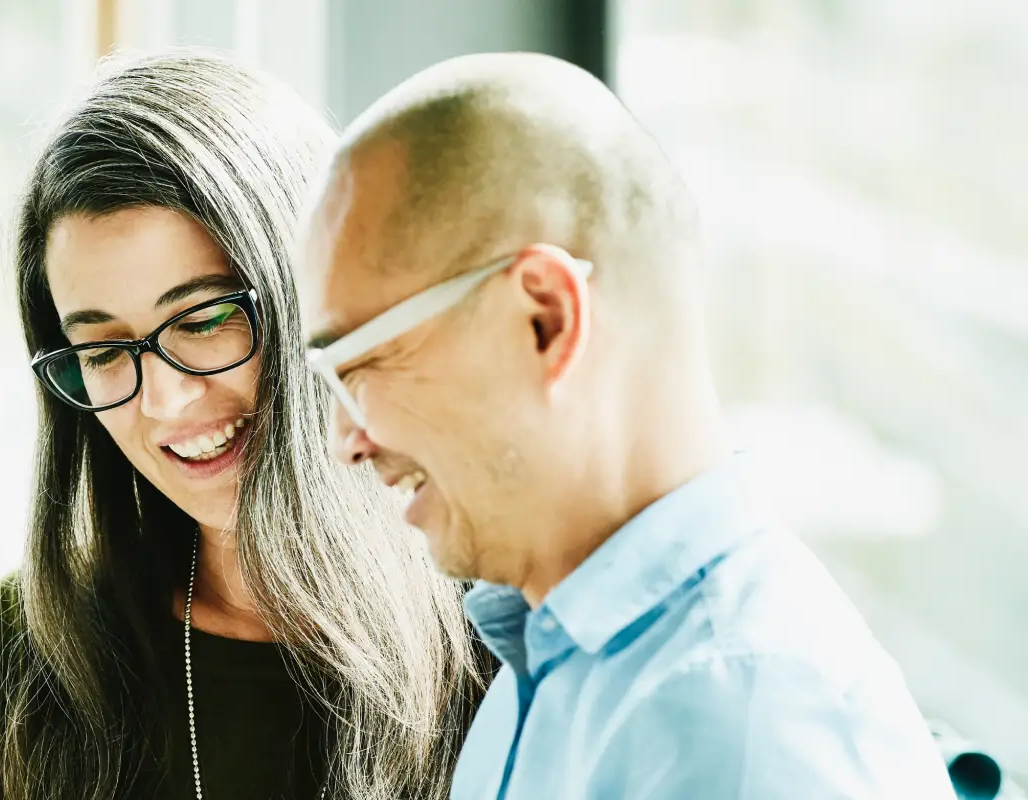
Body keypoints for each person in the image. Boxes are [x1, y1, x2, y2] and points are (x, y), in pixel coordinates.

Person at [295, 51, 955, 798]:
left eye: (360, 366)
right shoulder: (551, 667)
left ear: (544, 318)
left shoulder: (738, 731)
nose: (346, 440)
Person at [0, 52, 492, 800]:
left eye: (205, 318)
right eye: (105, 350)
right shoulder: (19, 665)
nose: (166, 402)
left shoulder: (508, 629)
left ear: (316, 289)